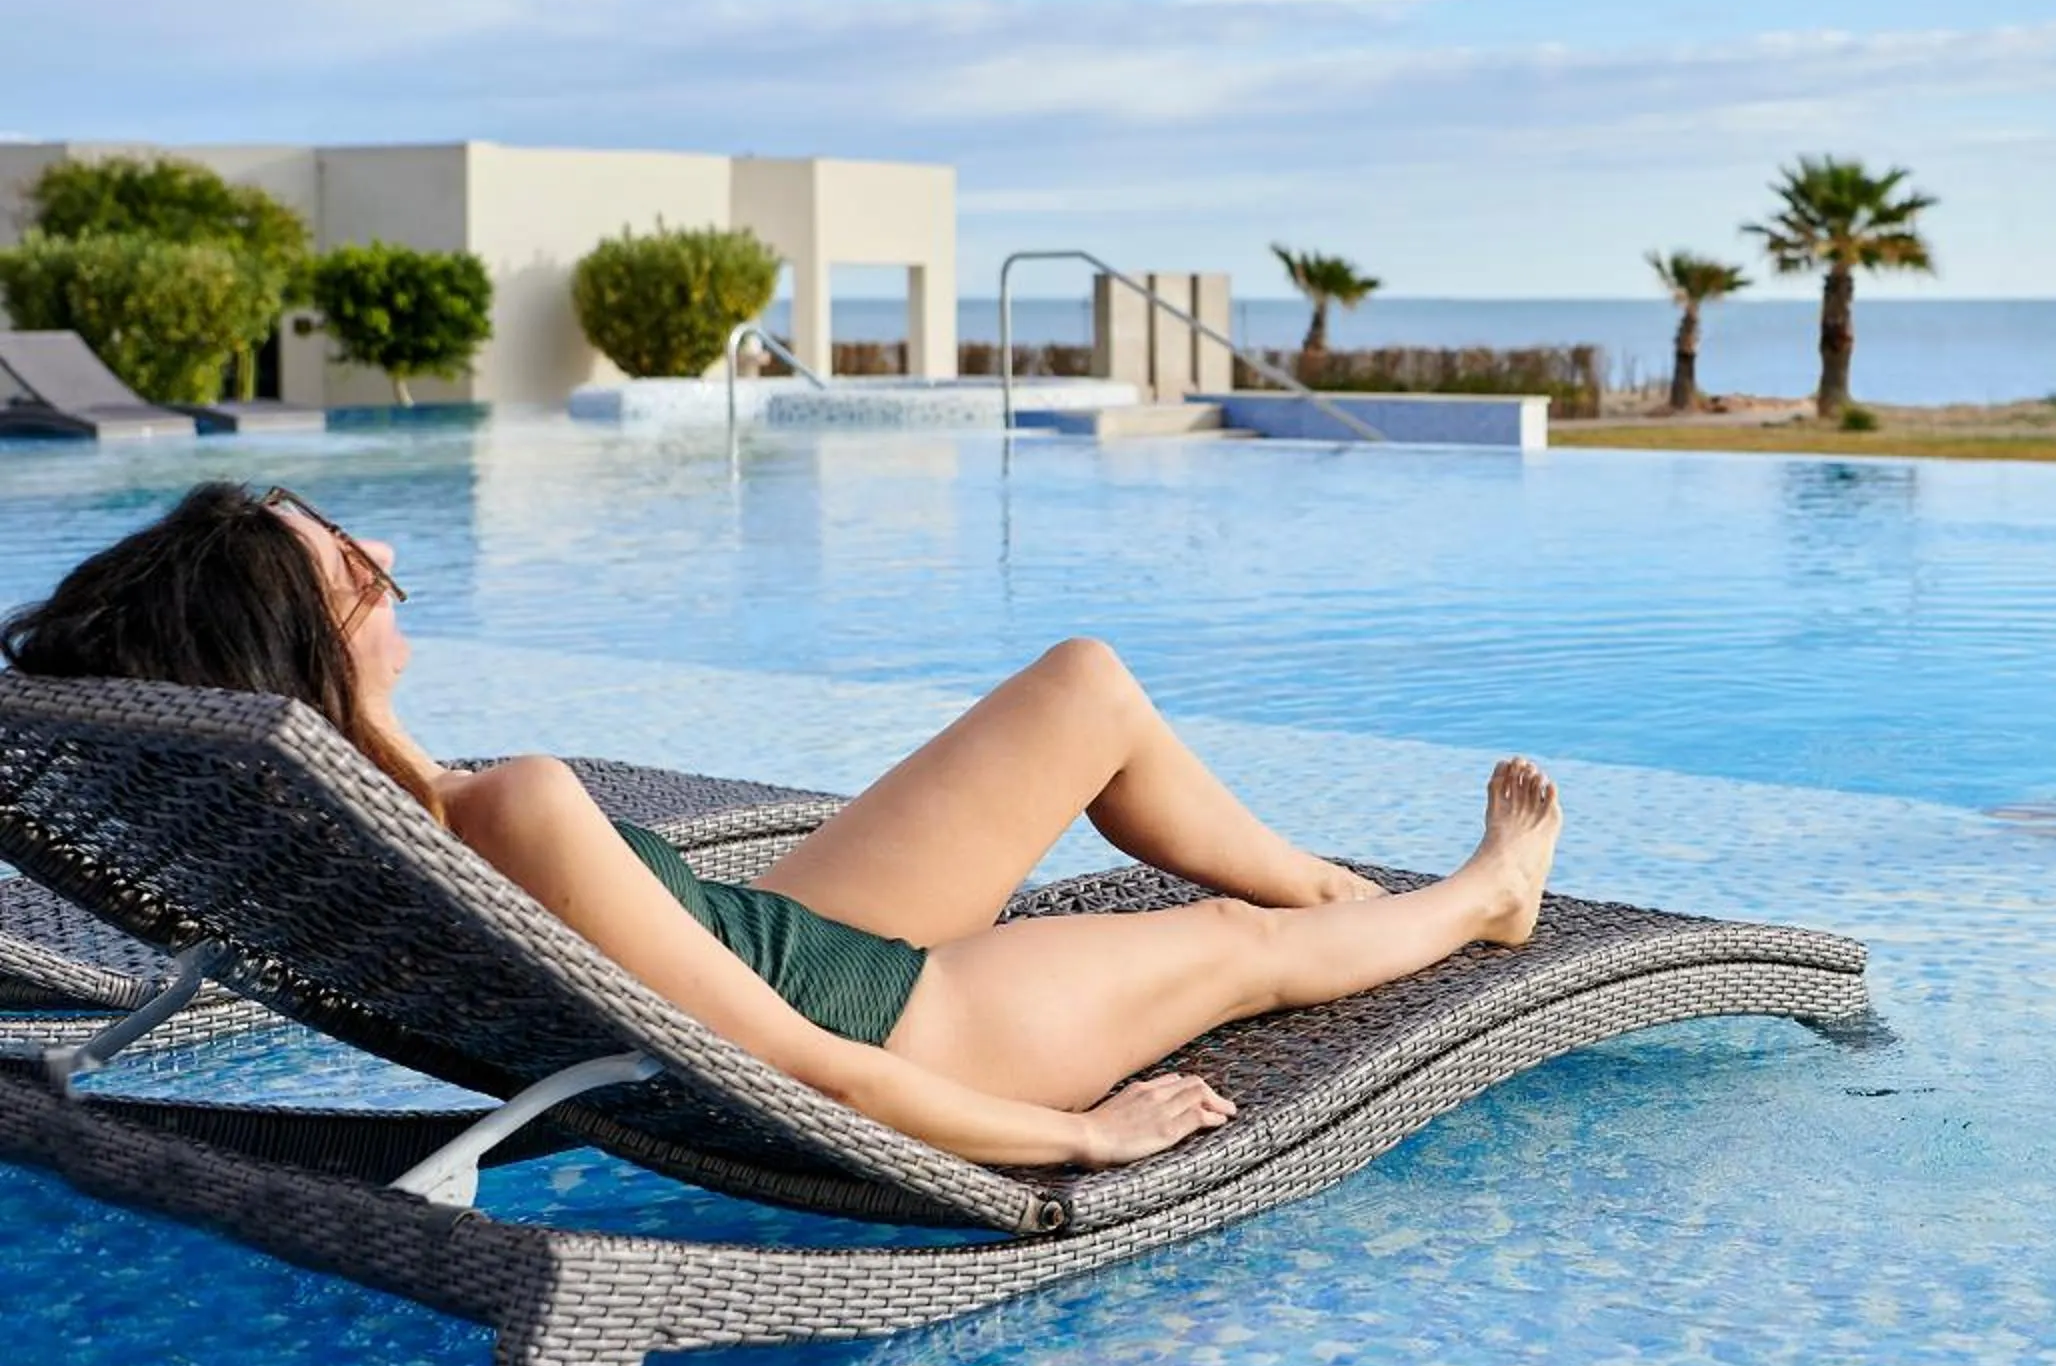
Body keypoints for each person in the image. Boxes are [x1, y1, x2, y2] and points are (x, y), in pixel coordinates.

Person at [0, 482, 1565, 1169]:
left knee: (1082, 687)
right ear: (311, 639)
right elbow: (799, 1069)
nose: (386, 552)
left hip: (794, 939)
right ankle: (1475, 900)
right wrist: (1074, 1134)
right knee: (1237, 946)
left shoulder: (385, 824)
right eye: (349, 558)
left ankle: (1318, 877)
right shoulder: (509, 804)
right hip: (928, 1028)